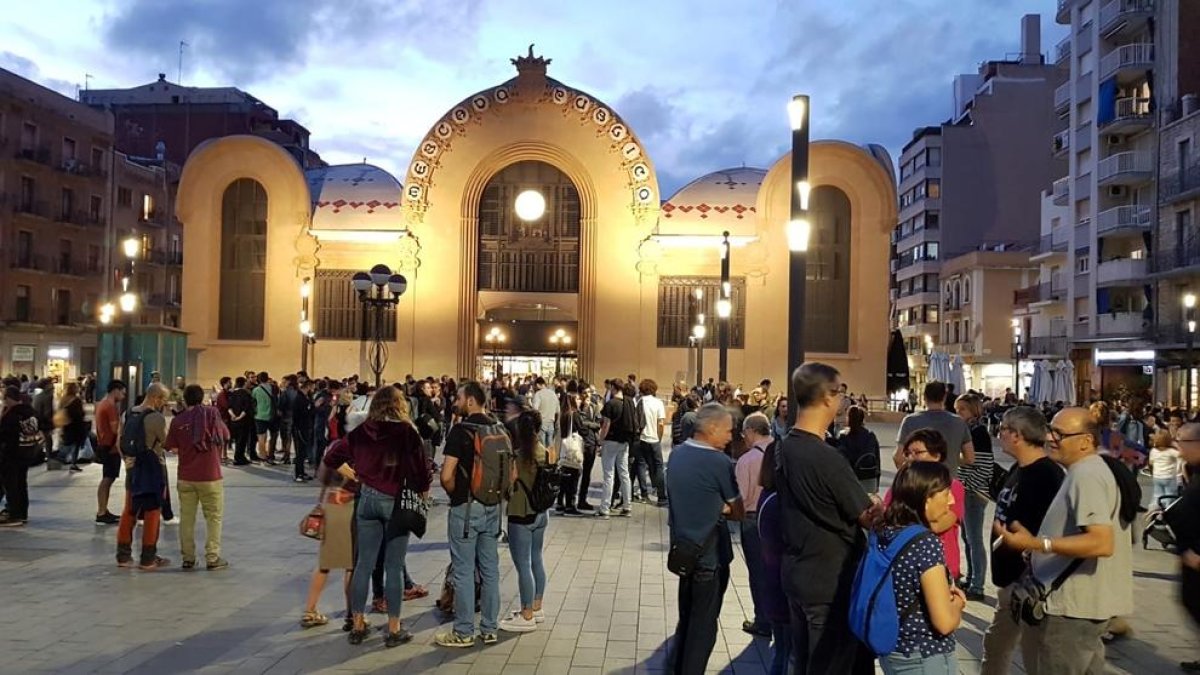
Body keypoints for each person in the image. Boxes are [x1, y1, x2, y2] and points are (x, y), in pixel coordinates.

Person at [993, 406, 1134, 675]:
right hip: (1084, 604)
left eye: (1059, 433)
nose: (1049, 438)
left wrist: (1037, 544)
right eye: (1051, 430)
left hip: (1074, 606)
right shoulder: (1088, 471)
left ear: (1086, 441)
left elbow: (1101, 543)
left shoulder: (1087, 475)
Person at [776, 362, 877, 674]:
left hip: (798, 572)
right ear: (828, 397)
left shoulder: (785, 446)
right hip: (830, 581)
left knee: (804, 662)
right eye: (841, 393)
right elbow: (867, 517)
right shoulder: (827, 458)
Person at [325, 385, 429, 648]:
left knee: (364, 564)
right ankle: (394, 628)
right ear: (399, 404)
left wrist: (356, 475)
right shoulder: (406, 432)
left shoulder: (362, 431)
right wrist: (422, 495)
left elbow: (331, 457)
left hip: (367, 500)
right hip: (395, 501)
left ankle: (358, 624)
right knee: (394, 566)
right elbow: (421, 471)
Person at [980, 406, 1064, 675]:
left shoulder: (1047, 476)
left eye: (1002, 429)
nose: (998, 433)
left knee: (1034, 656)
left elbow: (1052, 531)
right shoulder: (1020, 467)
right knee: (996, 645)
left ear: (1016, 435)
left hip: (1028, 582)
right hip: (1009, 581)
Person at [665, 403, 743, 674]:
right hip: (710, 557)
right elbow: (737, 510)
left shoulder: (676, 454)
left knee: (686, 619)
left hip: (683, 552)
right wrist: (720, 506)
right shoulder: (718, 461)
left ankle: (676, 666)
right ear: (711, 427)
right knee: (704, 626)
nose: (731, 436)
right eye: (728, 431)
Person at [872, 461, 965, 674]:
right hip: (923, 656)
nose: (951, 500)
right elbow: (944, 622)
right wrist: (958, 603)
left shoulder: (885, 531)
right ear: (926, 499)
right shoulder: (925, 543)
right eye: (945, 493)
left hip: (893, 649)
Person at [436, 381, 507, 648]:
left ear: (470, 401)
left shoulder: (460, 432)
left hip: (465, 508)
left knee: (464, 571)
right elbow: (509, 474)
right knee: (490, 569)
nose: (455, 400)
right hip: (492, 508)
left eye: (458, 397)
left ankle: (464, 631)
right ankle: (489, 629)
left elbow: (445, 476)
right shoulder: (500, 428)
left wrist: (456, 495)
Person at [165, 384, 230, 570]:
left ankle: (188, 557)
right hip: (210, 475)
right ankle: (212, 557)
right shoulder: (212, 415)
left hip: (186, 476)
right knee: (214, 518)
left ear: (184, 399)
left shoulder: (178, 421)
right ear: (202, 397)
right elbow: (224, 435)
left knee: (187, 518)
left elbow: (173, 447)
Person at [499, 407, 552, 633]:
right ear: (539, 428)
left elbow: (507, 488)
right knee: (536, 559)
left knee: (523, 566)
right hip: (542, 513)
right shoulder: (545, 452)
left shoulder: (518, 457)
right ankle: (537, 607)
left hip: (521, 514)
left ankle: (526, 614)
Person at [891, 429, 965, 581]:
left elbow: (939, 525)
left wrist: (904, 521)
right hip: (907, 565)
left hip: (943, 566)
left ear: (937, 455)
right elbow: (889, 518)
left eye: (918, 452)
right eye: (908, 453)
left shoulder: (953, 487)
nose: (911, 458)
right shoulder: (901, 485)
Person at [300, 438, 356, 630]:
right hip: (349, 505)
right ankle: (352, 614)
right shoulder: (360, 448)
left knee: (324, 564)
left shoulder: (335, 446)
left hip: (331, 503)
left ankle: (310, 610)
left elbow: (322, 475)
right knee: (351, 565)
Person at [116, 383, 171, 570]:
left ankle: (123, 556)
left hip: (132, 468)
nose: (163, 404)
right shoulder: (156, 418)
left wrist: (128, 461)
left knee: (129, 509)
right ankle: (148, 558)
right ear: (156, 397)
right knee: (152, 511)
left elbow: (120, 442)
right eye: (163, 400)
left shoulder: (128, 413)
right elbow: (166, 443)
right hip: (152, 469)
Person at [756, 440, 791, 675]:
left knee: (781, 648)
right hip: (783, 586)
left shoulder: (767, 496)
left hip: (772, 583)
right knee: (785, 652)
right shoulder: (779, 503)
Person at [735, 412, 772, 638]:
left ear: (751, 431)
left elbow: (741, 497)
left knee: (758, 572)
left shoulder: (747, 460)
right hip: (779, 517)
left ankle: (763, 619)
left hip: (752, 519)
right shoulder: (780, 452)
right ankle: (778, 617)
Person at [954, 394, 993, 602]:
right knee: (967, 538)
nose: (958, 413)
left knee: (974, 539)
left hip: (974, 493)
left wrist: (968, 486)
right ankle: (971, 578)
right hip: (965, 491)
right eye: (957, 409)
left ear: (974, 411)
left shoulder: (978, 433)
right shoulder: (967, 431)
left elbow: (985, 467)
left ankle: (978, 585)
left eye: (962, 410)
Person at [1168, 424, 1200, 672]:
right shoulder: (1192, 470)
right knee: (1190, 600)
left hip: (1197, 555)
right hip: (1189, 553)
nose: (1178, 449)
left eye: (1182, 442)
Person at [895, 381, 976, 474]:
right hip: (947, 481)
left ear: (924, 397)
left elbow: (898, 457)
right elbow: (970, 458)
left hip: (918, 481)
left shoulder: (910, 421)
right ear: (944, 397)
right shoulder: (959, 422)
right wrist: (951, 457)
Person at [0, 386, 38, 527]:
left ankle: (14, 514)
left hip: (11, 455)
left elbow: (4, 436)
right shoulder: (30, 412)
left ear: (9, 398)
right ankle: (22, 512)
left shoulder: (11, 415)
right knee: (22, 483)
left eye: (4, 398)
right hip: (27, 452)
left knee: (11, 485)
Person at [597, 378, 633, 519]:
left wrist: (600, 440)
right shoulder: (628, 403)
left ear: (613, 387)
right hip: (624, 442)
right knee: (624, 474)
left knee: (609, 475)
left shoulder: (610, 404)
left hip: (611, 441)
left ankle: (605, 508)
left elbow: (606, 425)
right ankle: (627, 506)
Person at [94, 380, 126, 524]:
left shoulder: (102, 404)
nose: (124, 396)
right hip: (110, 447)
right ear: (116, 390)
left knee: (108, 478)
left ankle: (103, 510)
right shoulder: (110, 406)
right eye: (123, 392)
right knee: (107, 478)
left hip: (104, 445)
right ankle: (101, 511)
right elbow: (115, 429)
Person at [636, 378, 668, 506]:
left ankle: (644, 493)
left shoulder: (639, 402)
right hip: (654, 439)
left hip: (641, 438)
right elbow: (661, 423)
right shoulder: (658, 403)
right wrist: (659, 438)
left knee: (641, 465)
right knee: (659, 466)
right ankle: (661, 496)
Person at [836, 405, 881, 494]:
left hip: (850, 480)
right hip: (869, 477)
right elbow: (877, 460)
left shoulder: (843, 437)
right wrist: (877, 482)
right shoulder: (870, 436)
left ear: (848, 418)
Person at [1148, 429, 1184, 507]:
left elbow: (1151, 462)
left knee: (1157, 495)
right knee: (1170, 496)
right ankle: (1168, 510)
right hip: (1169, 477)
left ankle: (1156, 509)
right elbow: (1182, 454)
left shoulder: (1153, 451)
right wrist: (1176, 445)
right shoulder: (1170, 451)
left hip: (1157, 476)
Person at [57, 381, 88, 471]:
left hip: (66, 425)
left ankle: (60, 457)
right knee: (75, 445)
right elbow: (80, 414)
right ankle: (72, 462)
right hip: (76, 426)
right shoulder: (76, 400)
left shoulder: (63, 400)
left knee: (67, 443)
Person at [530, 377, 559, 451]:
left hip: (541, 423)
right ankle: (551, 461)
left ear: (538, 385)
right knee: (550, 445)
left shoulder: (538, 394)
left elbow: (535, 409)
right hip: (551, 422)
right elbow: (557, 410)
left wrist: (530, 403)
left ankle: (543, 462)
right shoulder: (553, 394)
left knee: (542, 447)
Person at [252, 371, 275, 464]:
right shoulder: (273, 388)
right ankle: (271, 454)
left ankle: (262, 455)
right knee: (272, 436)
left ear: (259, 379)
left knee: (261, 437)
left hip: (260, 415)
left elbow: (253, 401)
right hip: (272, 415)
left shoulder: (256, 390)